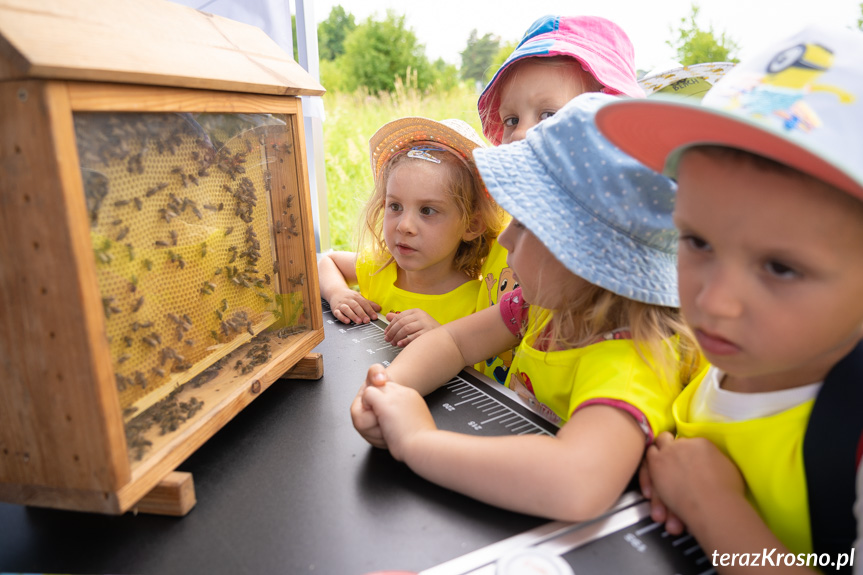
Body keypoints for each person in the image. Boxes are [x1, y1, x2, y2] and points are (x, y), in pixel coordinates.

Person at [350, 94, 699, 522]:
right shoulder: (544, 308)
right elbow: (453, 343)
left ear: (585, 254)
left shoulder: (630, 362)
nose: (503, 240)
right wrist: (392, 389)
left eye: (525, 225)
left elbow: (576, 482)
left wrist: (418, 441)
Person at [596, 24, 863, 571]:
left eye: (781, 267)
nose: (715, 303)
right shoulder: (717, 355)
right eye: (698, 241)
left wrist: (713, 508)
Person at [474, 14, 644, 384]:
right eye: (510, 119)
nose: (519, 135)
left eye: (548, 114)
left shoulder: (625, 348)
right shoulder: (524, 298)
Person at [318, 117, 505, 347]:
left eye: (427, 211)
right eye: (395, 206)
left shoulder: (477, 303)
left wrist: (444, 339)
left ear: (471, 226)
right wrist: (338, 293)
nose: (404, 225)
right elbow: (326, 262)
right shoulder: (379, 269)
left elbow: (478, 373)